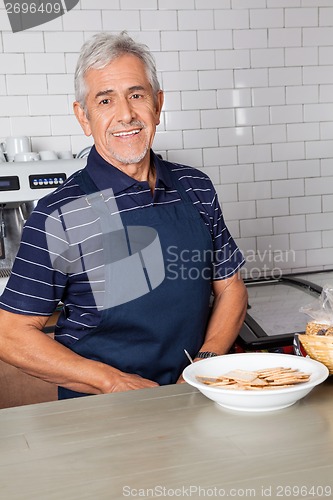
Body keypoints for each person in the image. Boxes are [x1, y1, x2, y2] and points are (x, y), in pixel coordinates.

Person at [0, 32, 247, 400]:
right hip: (101, 412)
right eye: (105, 100)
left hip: (193, 397)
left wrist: (203, 366)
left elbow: (231, 289)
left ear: (158, 105)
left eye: (136, 94)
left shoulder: (195, 187)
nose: (126, 114)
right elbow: (10, 334)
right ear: (83, 116)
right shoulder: (59, 214)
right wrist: (111, 382)